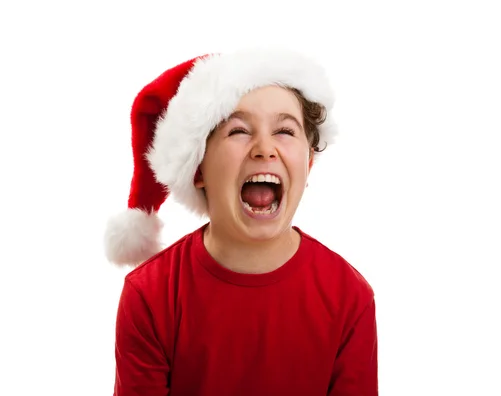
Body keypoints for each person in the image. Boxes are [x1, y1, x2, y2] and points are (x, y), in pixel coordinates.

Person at [104, 47, 378, 396]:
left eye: (284, 131)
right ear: (198, 168)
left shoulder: (349, 297)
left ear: (307, 164)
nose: (264, 148)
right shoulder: (150, 296)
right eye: (238, 131)